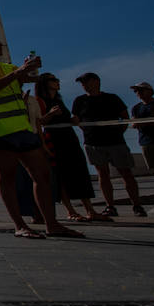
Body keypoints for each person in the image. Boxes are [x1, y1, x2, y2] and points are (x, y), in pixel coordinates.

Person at [0, 31, 76, 238]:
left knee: (42, 174)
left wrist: (32, 70)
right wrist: (18, 72)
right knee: (8, 178)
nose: (0, 44)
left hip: (22, 128)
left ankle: (52, 223)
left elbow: (29, 79)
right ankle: (20, 225)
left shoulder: (7, 68)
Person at [33, 74, 105, 223]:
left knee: (79, 172)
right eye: (53, 80)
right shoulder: (39, 101)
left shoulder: (59, 100)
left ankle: (89, 210)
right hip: (53, 138)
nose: (57, 81)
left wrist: (72, 120)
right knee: (61, 174)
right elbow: (38, 122)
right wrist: (51, 114)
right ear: (45, 83)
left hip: (69, 137)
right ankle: (70, 210)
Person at [71, 71, 145, 217]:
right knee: (102, 174)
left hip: (115, 141)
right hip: (93, 142)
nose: (84, 86)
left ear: (96, 82)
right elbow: (77, 119)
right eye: (83, 83)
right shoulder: (79, 101)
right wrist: (88, 131)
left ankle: (137, 205)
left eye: (87, 82)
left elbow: (124, 118)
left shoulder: (112, 98)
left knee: (126, 173)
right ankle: (110, 206)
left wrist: (118, 132)